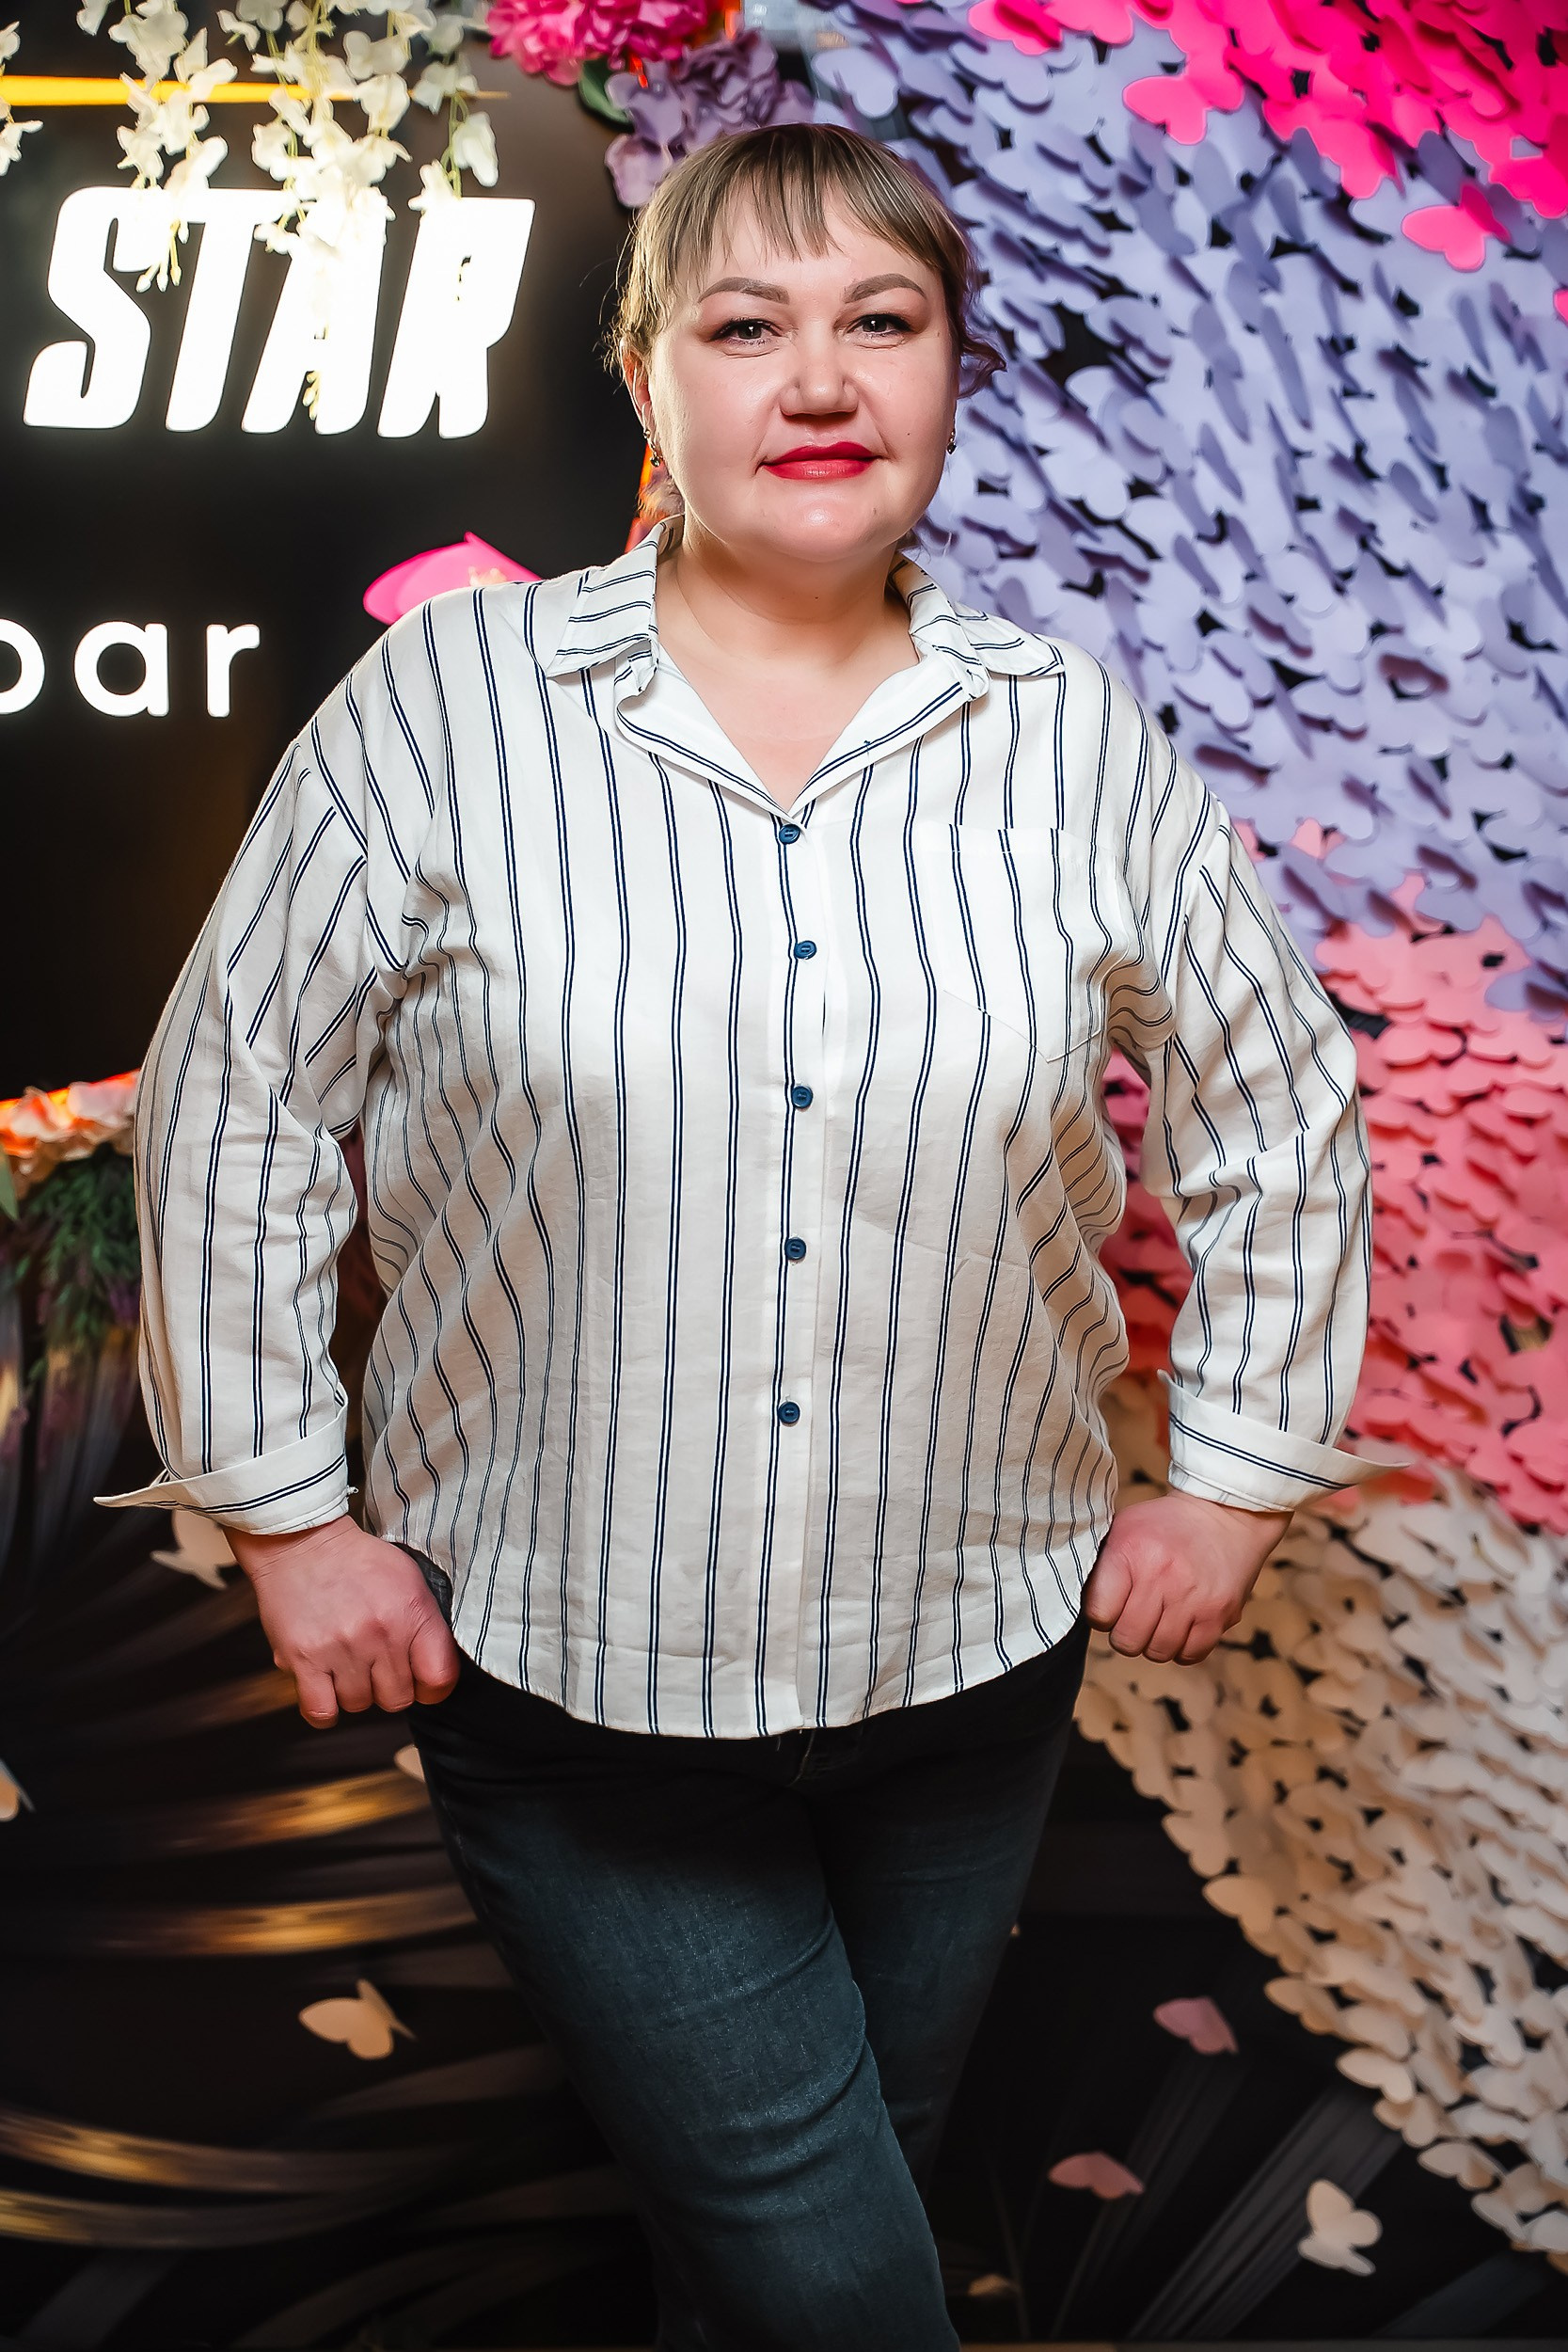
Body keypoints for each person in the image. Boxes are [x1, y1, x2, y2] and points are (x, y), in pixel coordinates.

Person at [102, 122, 1379, 2352]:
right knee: (829, 2259)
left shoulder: (1066, 734)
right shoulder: (454, 705)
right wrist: (289, 1514)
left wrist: (1242, 1472)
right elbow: (238, 1097)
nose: (819, 379)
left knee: (793, 2222)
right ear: (644, 378)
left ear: (951, 373)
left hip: (967, 1647)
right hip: (570, 1660)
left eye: (882, 320)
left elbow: (1279, 1100)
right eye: (744, 324)